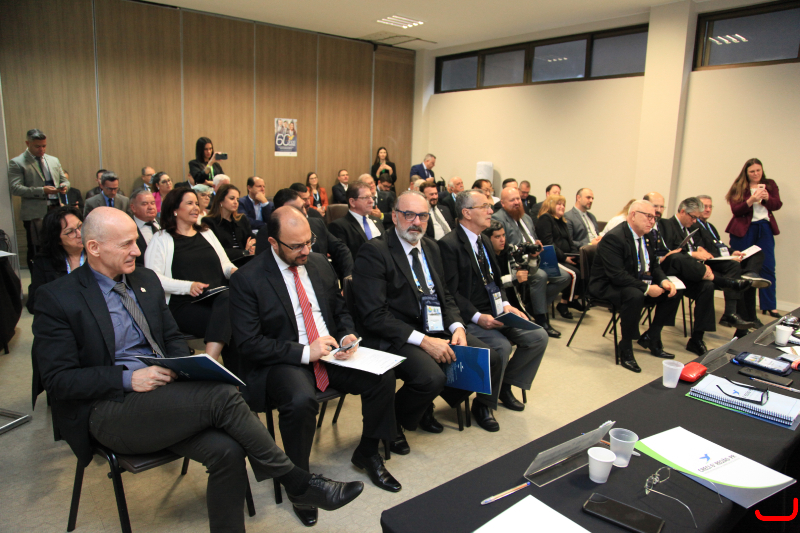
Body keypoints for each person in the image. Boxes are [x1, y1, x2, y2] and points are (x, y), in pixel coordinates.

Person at [32, 207, 364, 532]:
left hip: (165, 396)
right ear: (94, 247)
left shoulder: (144, 280)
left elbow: (172, 338)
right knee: (223, 396)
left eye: (135, 241)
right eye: (126, 244)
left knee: (229, 451)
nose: (137, 250)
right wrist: (127, 378)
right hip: (109, 407)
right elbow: (58, 380)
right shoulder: (58, 298)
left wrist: (183, 366)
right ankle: (298, 482)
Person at [230, 207, 400, 526]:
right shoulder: (248, 278)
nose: (306, 251)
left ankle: (367, 452)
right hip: (284, 359)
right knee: (299, 400)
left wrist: (347, 334)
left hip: (329, 351)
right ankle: (301, 484)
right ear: (273, 242)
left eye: (309, 242)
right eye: (296, 246)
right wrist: (305, 352)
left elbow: (340, 309)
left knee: (382, 376)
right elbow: (249, 344)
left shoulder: (320, 263)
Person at [353, 190, 505, 440]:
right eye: (409, 214)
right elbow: (374, 315)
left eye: (422, 216)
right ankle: (393, 422)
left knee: (489, 359)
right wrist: (424, 341)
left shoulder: (432, 247)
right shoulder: (374, 252)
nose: (416, 222)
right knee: (431, 377)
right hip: (396, 333)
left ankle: (422, 406)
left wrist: (457, 327)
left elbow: (445, 295)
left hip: (433, 325)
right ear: (394, 216)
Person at [439, 190, 550, 427]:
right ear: (467, 213)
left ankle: (503, 386)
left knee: (538, 336)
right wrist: (478, 317)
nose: (491, 211)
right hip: (470, 316)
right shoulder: (449, 245)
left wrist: (507, 305)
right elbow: (451, 293)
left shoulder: (485, 240)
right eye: (485, 207)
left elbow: (495, 281)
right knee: (501, 346)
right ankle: (483, 404)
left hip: (496, 309)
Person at [145, 188, 236, 363]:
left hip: (218, 299)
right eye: (189, 203)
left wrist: (233, 272)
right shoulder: (161, 239)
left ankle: (210, 365)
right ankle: (213, 364)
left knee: (231, 305)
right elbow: (153, 278)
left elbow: (225, 264)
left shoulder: (206, 233)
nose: (196, 207)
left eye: (196, 203)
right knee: (234, 322)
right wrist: (188, 286)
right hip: (184, 305)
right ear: (174, 209)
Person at [588, 201, 681, 373]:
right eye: (648, 216)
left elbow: (654, 266)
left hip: (633, 281)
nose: (652, 221)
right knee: (635, 295)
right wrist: (647, 289)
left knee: (672, 292)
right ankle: (625, 347)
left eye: (654, 217)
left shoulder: (648, 236)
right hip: (607, 285)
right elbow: (617, 275)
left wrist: (663, 281)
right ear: (633, 215)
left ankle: (652, 336)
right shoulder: (615, 238)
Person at [659, 197, 751, 355]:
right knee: (703, 276)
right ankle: (725, 282)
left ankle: (697, 338)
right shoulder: (667, 224)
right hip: (675, 271)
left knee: (709, 284)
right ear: (683, 211)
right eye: (693, 217)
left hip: (693, 271)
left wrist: (700, 251)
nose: (695, 221)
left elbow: (703, 246)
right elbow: (668, 253)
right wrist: (693, 254)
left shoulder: (691, 227)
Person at [491, 187, 570, 333]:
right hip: (517, 262)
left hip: (537, 257)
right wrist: (526, 251)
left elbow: (534, 237)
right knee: (541, 276)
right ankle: (541, 318)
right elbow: (503, 247)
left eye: (518, 199)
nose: (517, 202)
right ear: (503, 203)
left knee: (564, 277)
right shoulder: (498, 219)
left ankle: (534, 306)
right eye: (512, 200)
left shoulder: (526, 218)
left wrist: (536, 246)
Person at [695, 194, 769, 337]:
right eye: (705, 206)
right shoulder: (694, 226)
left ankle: (750, 274)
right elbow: (702, 251)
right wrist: (728, 257)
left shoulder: (710, 227)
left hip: (725, 261)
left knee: (757, 254)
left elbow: (719, 246)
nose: (708, 209)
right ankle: (740, 319)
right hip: (712, 264)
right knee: (740, 277)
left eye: (710, 207)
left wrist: (732, 252)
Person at [725, 158, 782, 318]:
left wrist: (767, 198)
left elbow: (777, 205)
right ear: (746, 172)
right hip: (744, 229)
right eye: (752, 171)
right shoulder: (739, 186)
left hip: (764, 228)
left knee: (768, 266)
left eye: (758, 170)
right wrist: (751, 200)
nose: (756, 173)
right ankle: (739, 307)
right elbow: (736, 210)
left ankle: (770, 306)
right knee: (741, 267)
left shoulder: (770, 184)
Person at [255, 188, 353, 281]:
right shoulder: (266, 233)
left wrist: (348, 278)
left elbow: (341, 250)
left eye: (303, 207)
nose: (304, 213)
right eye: (296, 246)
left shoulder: (316, 224)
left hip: (320, 281)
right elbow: (263, 270)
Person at [8, 129, 70, 269]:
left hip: (55, 209)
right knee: (36, 248)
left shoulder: (53, 160)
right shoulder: (17, 163)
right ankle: (38, 277)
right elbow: (15, 188)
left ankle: (58, 273)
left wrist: (64, 186)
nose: (41, 149)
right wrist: (42, 191)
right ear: (27, 143)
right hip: (34, 214)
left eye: (44, 146)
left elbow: (64, 180)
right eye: (37, 146)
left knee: (58, 245)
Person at [26, 206, 84, 314]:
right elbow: (34, 303)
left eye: (80, 226)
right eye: (70, 232)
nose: (80, 234)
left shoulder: (98, 254)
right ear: (57, 239)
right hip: (62, 316)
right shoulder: (44, 261)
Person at [536, 195, 584, 317]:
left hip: (565, 256)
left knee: (585, 269)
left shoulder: (562, 221)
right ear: (550, 205)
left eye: (563, 204)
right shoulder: (545, 219)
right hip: (552, 258)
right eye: (559, 204)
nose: (562, 207)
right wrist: (564, 258)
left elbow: (570, 242)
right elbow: (548, 243)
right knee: (574, 274)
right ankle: (565, 302)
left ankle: (572, 299)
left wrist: (575, 255)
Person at [328, 181, 385, 260]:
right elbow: (344, 259)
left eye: (371, 197)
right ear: (352, 202)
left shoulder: (377, 220)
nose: (371, 201)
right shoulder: (339, 226)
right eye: (366, 197)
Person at [202, 184, 256, 262]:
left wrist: (252, 247)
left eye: (237, 199)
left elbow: (251, 239)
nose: (236, 202)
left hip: (246, 261)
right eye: (232, 198)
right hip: (224, 263)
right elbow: (216, 250)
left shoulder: (242, 219)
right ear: (220, 200)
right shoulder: (209, 221)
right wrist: (244, 252)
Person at [130, 189, 160, 267]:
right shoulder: (127, 228)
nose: (151, 207)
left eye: (153, 203)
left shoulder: (165, 223)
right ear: (133, 208)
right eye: (144, 204)